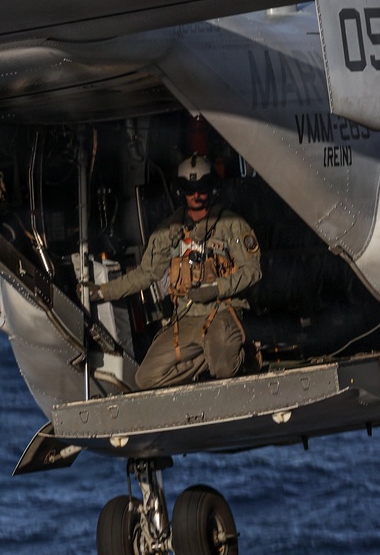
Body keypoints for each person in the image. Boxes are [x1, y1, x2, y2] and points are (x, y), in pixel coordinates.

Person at [89, 154, 261, 390]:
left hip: (221, 312)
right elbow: (146, 274)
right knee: (145, 378)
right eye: (190, 189)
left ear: (211, 188)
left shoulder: (231, 226)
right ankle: (208, 360)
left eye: (202, 188)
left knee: (224, 369)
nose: (196, 195)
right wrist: (102, 291)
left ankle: (242, 357)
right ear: (181, 191)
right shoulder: (167, 233)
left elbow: (252, 271)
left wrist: (216, 289)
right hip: (185, 319)